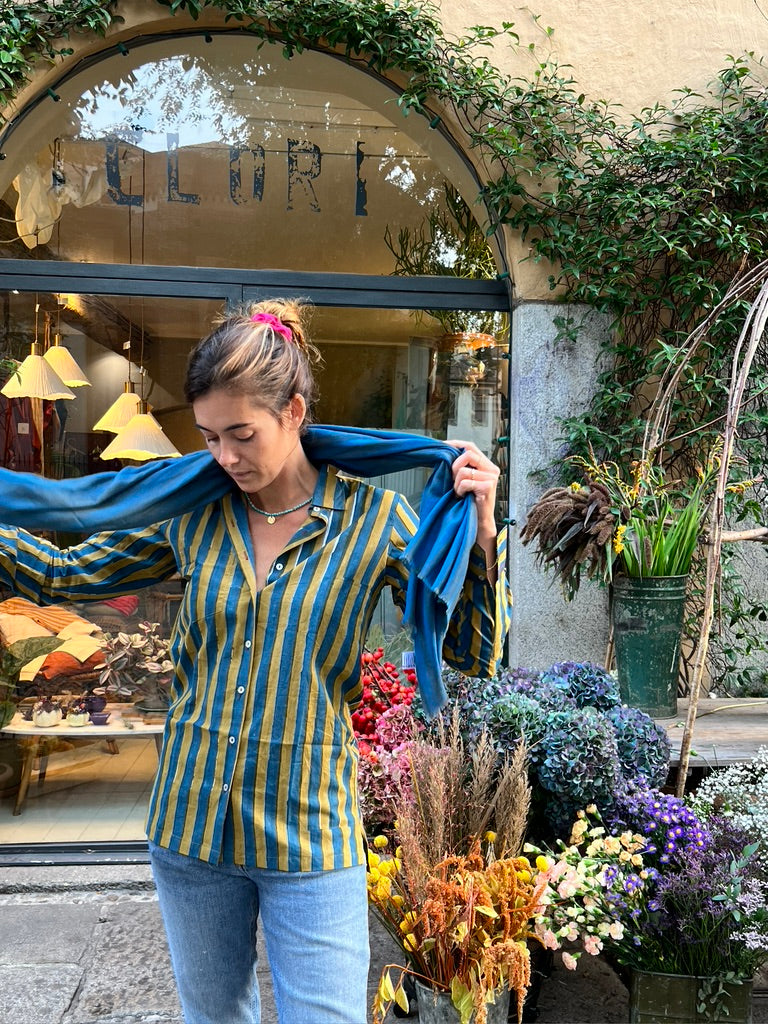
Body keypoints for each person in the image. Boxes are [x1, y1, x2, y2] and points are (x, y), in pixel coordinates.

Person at [0, 298, 512, 1024]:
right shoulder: (193, 513)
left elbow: (472, 653)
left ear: (293, 411)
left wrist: (484, 536)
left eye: (241, 434)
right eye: (210, 437)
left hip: (310, 833)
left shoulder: (375, 522)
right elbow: (65, 573)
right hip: (191, 827)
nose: (224, 458)